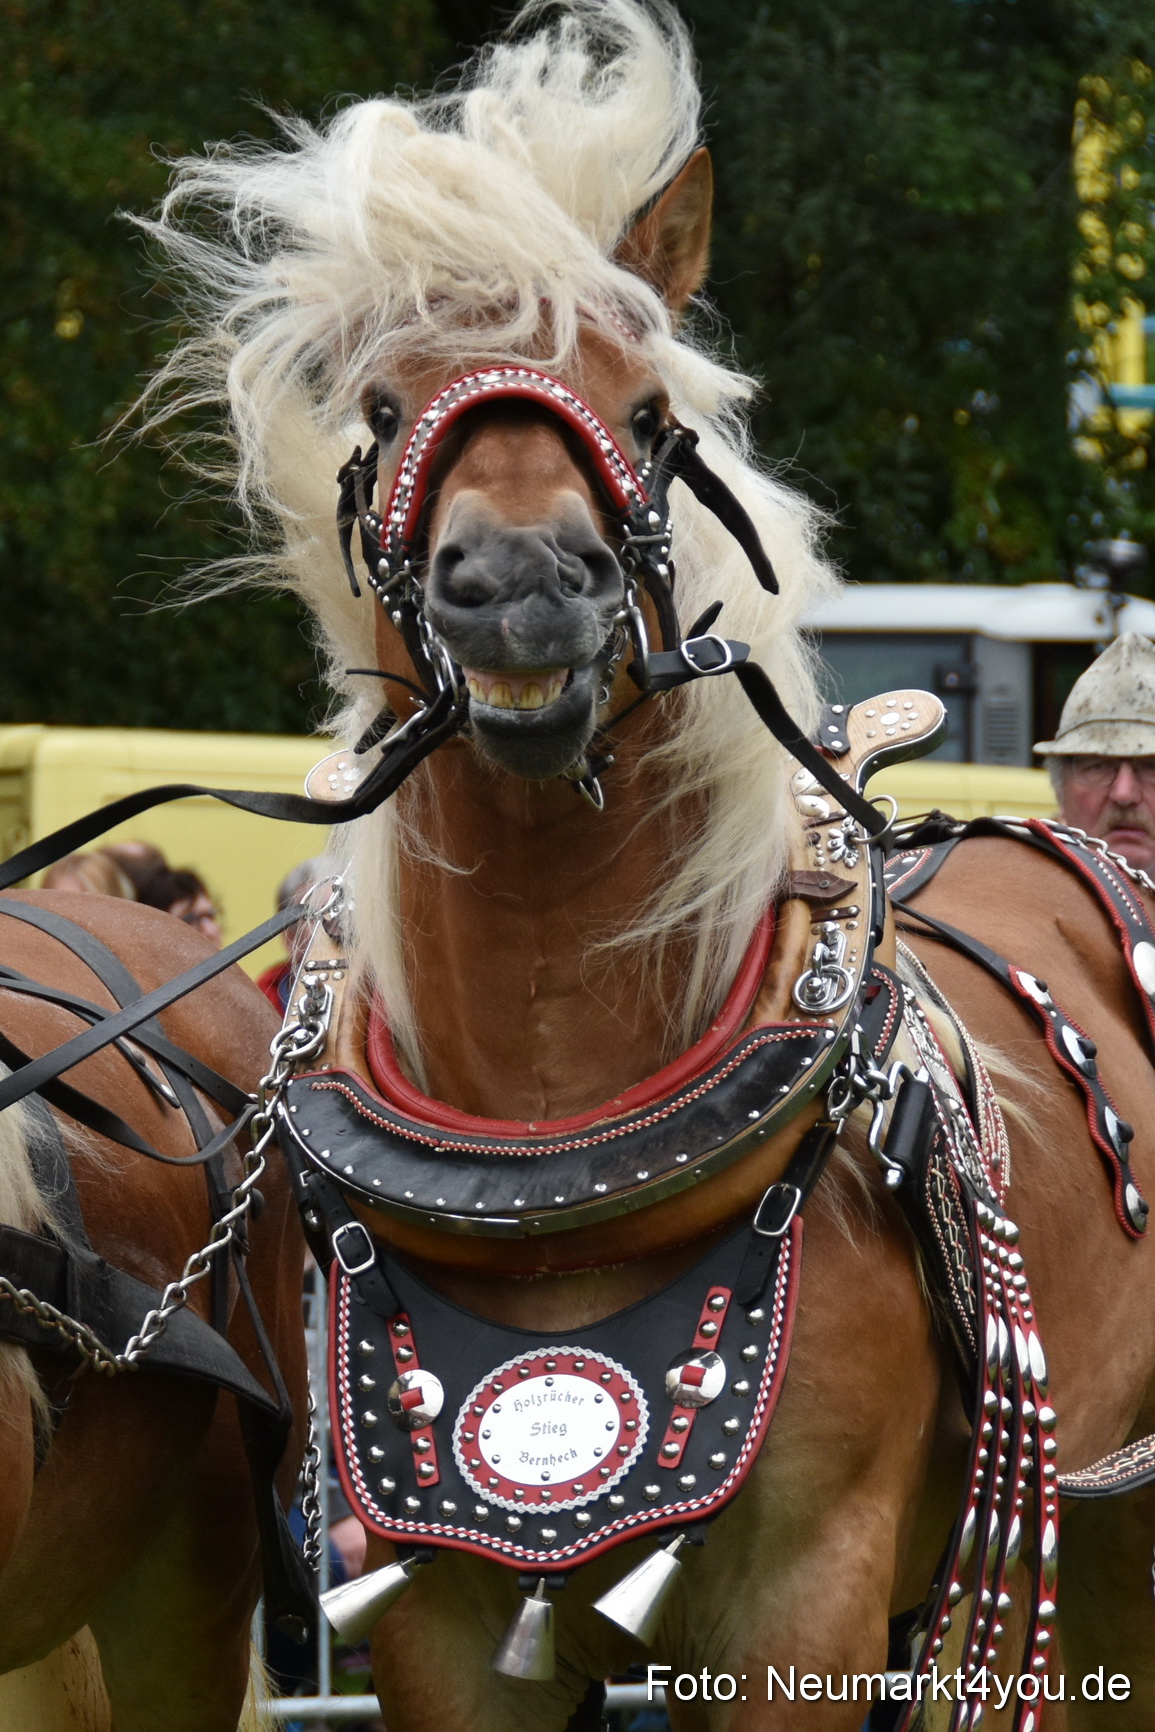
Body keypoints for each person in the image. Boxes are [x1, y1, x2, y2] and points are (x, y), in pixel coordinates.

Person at [1034, 631, 1155, 872]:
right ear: (1060, 791)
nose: (1124, 794)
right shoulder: (1014, 888)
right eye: (1097, 766)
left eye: (1152, 767)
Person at [256, 859, 326, 1012]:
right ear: (290, 938)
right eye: (316, 916)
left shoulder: (377, 993)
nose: (335, 926)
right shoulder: (260, 1003)